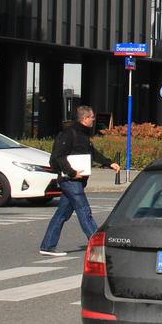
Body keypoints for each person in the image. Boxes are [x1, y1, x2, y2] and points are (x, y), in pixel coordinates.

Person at [39, 105, 120, 256]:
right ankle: (98, 245)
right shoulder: (69, 134)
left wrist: (109, 163)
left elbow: (92, 153)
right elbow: (58, 156)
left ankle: (47, 246)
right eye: (92, 117)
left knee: (62, 214)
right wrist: (72, 172)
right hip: (70, 180)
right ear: (84, 119)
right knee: (84, 211)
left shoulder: (83, 135)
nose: (94, 119)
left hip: (77, 180)